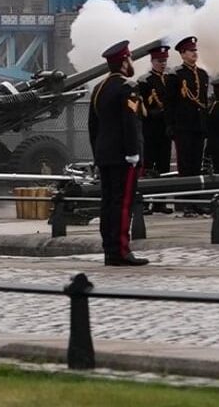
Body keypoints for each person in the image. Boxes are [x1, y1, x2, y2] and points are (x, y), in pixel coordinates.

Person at [88, 40, 147, 266]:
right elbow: (130, 122)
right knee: (123, 204)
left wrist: (97, 154)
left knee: (108, 203)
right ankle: (122, 250)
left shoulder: (98, 89)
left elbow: (93, 127)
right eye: (129, 58)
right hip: (124, 156)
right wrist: (133, 153)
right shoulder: (128, 87)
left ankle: (109, 250)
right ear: (124, 62)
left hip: (105, 155)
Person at [165, 36, 208, 180]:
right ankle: (185, 201)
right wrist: (171, 125)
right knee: (185, 165)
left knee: (197, 164)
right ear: (182, 54)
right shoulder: (175, 75)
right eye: (190, 51)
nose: (194, 53)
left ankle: (197, 198)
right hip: (183, 127)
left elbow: (203, 101)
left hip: (198, 125)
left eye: (195, 50)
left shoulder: (202, 74)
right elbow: (169, 103)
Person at [136, 41, 173, 213]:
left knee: (164, 166)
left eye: (164, 60)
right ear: (153, 61)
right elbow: (141, 106)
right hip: (150, 128)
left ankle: (160, 202)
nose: (162, 64)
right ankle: (144, 202)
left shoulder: (170, 79)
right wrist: (153, 114)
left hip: (165, 128)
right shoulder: (145, 81)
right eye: (159, 61)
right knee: (148, 166)